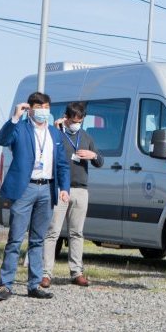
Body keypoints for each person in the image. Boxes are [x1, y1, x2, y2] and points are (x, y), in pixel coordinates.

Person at [0, 92, 71, 301]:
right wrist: (15, 118)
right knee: (16, 239)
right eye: (40, 107)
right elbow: (1, 139)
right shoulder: (20, 128)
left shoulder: (55, 134)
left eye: (46, 107)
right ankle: (5, 284)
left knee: (38, 239)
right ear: (30, 108)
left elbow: (62, 164)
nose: (44, 111)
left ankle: (34, 284)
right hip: (24, 189)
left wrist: (64, 188)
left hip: (47, 189)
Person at [41, 102, 102, 288]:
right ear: (66, 118)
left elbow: (100, 161)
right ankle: (45, 273)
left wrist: (93, 156)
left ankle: (77, 272)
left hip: (81, 189)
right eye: (73, 120)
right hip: (60, 188)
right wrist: (56, 128)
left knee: (77, 232)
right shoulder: (56, 134)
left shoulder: (86, 137)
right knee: (53, 232)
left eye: (80, 120)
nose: (76, 123)